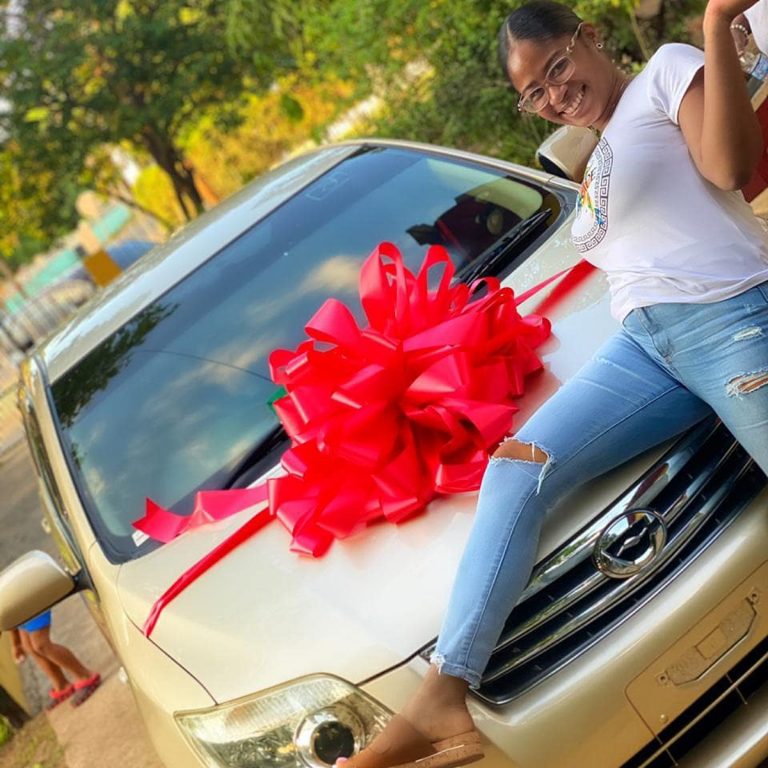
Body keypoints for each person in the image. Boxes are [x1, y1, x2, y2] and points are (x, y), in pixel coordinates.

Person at [338, 0, 768, 766]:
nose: (554, 94)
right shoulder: (596, 157)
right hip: (646, 348)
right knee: (516, 470)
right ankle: (444, 697)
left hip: (730, 321)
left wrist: (712, 26)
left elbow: (731, 169)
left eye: (558, 67)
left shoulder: (668, 70)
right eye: (534, 92)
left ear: (590, 38)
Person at [11, 610, 101, 709]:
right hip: (16, 612)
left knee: (41, 645)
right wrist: (16, 644)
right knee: (29, 647)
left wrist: (15, 644)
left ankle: (85, 676)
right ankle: (61, 685)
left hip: (27, 605)